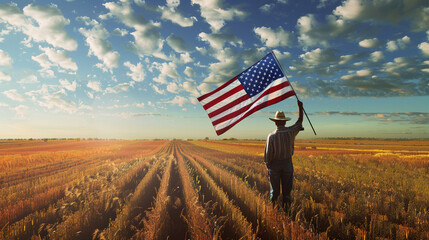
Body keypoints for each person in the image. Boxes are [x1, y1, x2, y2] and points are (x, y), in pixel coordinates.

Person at [264, 100, 304, 210]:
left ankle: (273, 210)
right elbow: (299, 122)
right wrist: (300, 108)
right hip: (287, 163)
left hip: (274, 165)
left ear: (275, 122)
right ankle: (287, 211)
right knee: (287, 192)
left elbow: (268, 155)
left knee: (274, 192)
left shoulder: (271, 136)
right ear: (285, 122)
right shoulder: (291, 132)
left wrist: (268, 168)